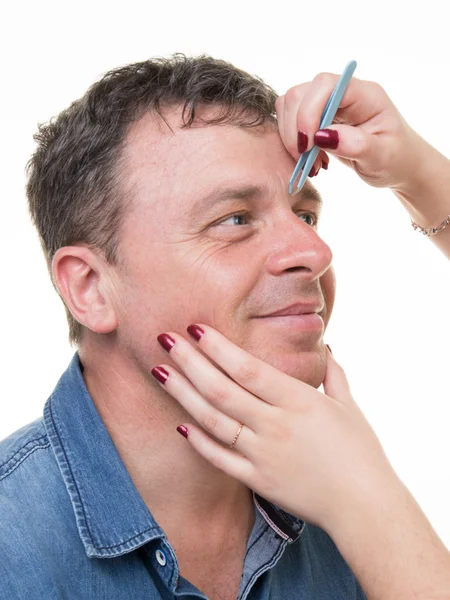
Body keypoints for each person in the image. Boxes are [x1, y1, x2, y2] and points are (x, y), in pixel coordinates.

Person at [0, 54, 449, 600]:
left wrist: (368, 506)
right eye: (235, 220)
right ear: (91, 288)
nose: (315, 250)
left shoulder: (345, 510)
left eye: (305, 215)